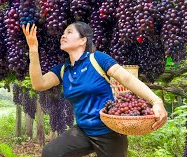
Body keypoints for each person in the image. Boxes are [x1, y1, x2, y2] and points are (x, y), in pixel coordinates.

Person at [22, 21, 168, 157]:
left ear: (82, 40)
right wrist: (33, 49)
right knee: (50, 153)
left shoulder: (97, 59)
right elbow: (38, 84)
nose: (63, 35)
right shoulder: (63, 70)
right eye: (63, 33)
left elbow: (127, 79)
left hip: (110, 133)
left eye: (69, 32)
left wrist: (156, 101)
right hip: (83, 131)